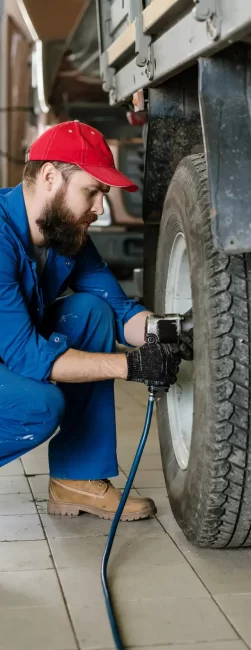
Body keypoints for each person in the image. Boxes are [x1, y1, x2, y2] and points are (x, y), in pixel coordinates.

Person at [0, 121, 191, 521]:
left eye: (104, 195)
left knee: (90, 312)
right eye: (92, 192)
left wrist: (172, 331)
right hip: (14, 351)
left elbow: (119, 311)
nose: (100, 208)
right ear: (51, 176)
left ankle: (77, 480)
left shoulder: (65, 235)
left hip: (10, 348)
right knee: (39, 405)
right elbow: (29, 356)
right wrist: (131, 366)